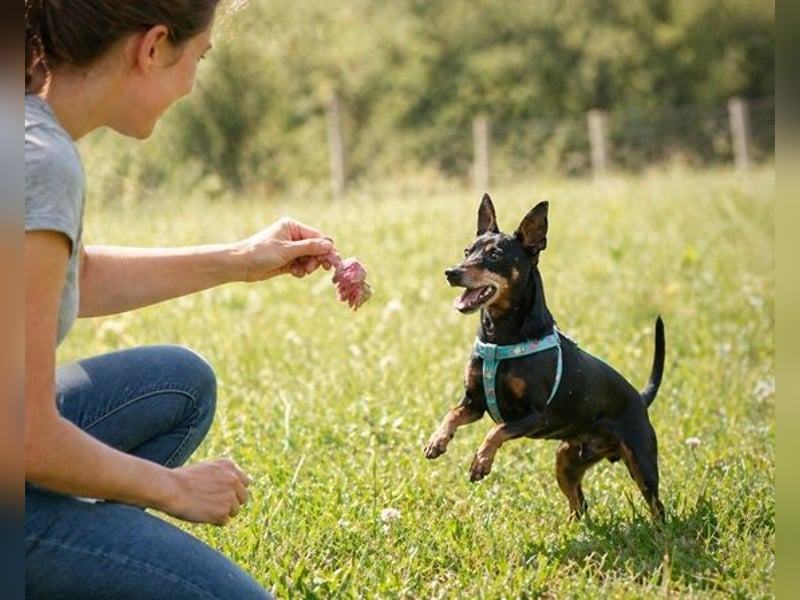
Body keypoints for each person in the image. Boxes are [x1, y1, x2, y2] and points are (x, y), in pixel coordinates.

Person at [25, 1, 339, 597]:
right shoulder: (40, 161)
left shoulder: (28, 126)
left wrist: (239, 260)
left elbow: (68, 278)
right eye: (198, 57)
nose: (193, 83)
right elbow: (22, 436)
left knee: (175, 383)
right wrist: (172, 489)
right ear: (152, 47)